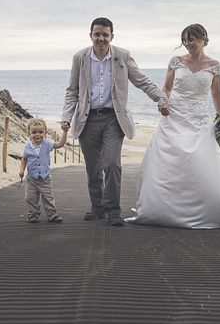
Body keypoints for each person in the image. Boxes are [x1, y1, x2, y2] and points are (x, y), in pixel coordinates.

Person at [128, 24, 220, 228]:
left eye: (191, 39)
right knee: (169, 161)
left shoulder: (214, 65)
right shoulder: (176, 62)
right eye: (184, 40)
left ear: (203, 39)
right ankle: (162, 208)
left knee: (199, 160)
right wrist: (163, 101)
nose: (187, 44)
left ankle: (206, 208)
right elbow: (166, 88)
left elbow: (215, 94)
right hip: (174, 115)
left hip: (199, 118)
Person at [61, 17, 168, 226]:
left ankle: (113, 211)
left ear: (112, 36)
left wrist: (160, 98)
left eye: (105, 34)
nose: (101, 38)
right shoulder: (79, 57)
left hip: (114, 118)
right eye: (97, 34)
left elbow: (141, 80)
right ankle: (97, 208)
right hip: (87, 119)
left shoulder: (123, 56)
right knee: (93, 168)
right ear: (90, 35)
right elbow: (72, 91)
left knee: (111, 164)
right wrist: (66, 117)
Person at [19, 118, 66, 224]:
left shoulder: (47, 144)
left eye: (41, 132)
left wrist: (65, 132)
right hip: (31, 179)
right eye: (34, 132)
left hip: (45, 178)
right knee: (30, 198)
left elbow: (60, 144)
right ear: (29, 133)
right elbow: (24, 159)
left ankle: (52, 215)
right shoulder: (27, 146)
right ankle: (33, 215)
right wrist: (22, 170)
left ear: (45, 132)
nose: (37, 135)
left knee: (48, 197)